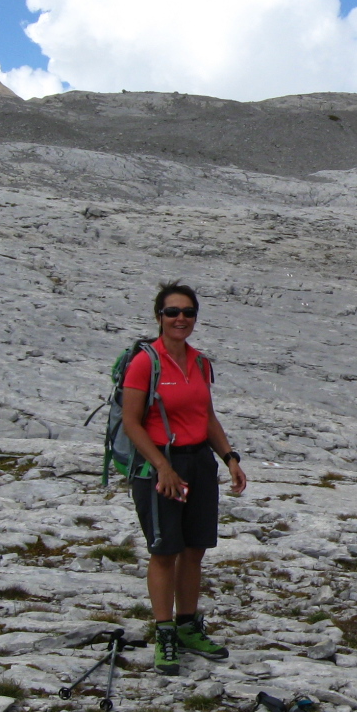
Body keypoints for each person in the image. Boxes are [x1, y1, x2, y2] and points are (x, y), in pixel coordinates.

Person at [120, 281, 247, 675]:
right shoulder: (146, 362)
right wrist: (163, 467)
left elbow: (205, 416)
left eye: (187, 313)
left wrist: (229, 457)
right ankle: (165, 634)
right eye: (172, 312)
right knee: (164, 551)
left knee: (194, 550)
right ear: (158, 316)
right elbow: (131, 421)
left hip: (199, 463)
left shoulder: (200, 362)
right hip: (159, 465)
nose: (180, 319)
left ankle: (188, 626)